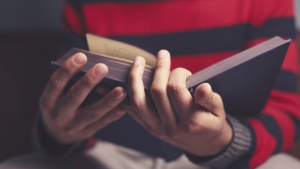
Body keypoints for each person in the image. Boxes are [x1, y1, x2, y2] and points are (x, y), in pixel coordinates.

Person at [1, 0, 300, 169]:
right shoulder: (84, 4)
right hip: (111, 153)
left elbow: (288, 114)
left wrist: (224, 141)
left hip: (227, 160)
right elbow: (74, 97)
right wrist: (55, 134)